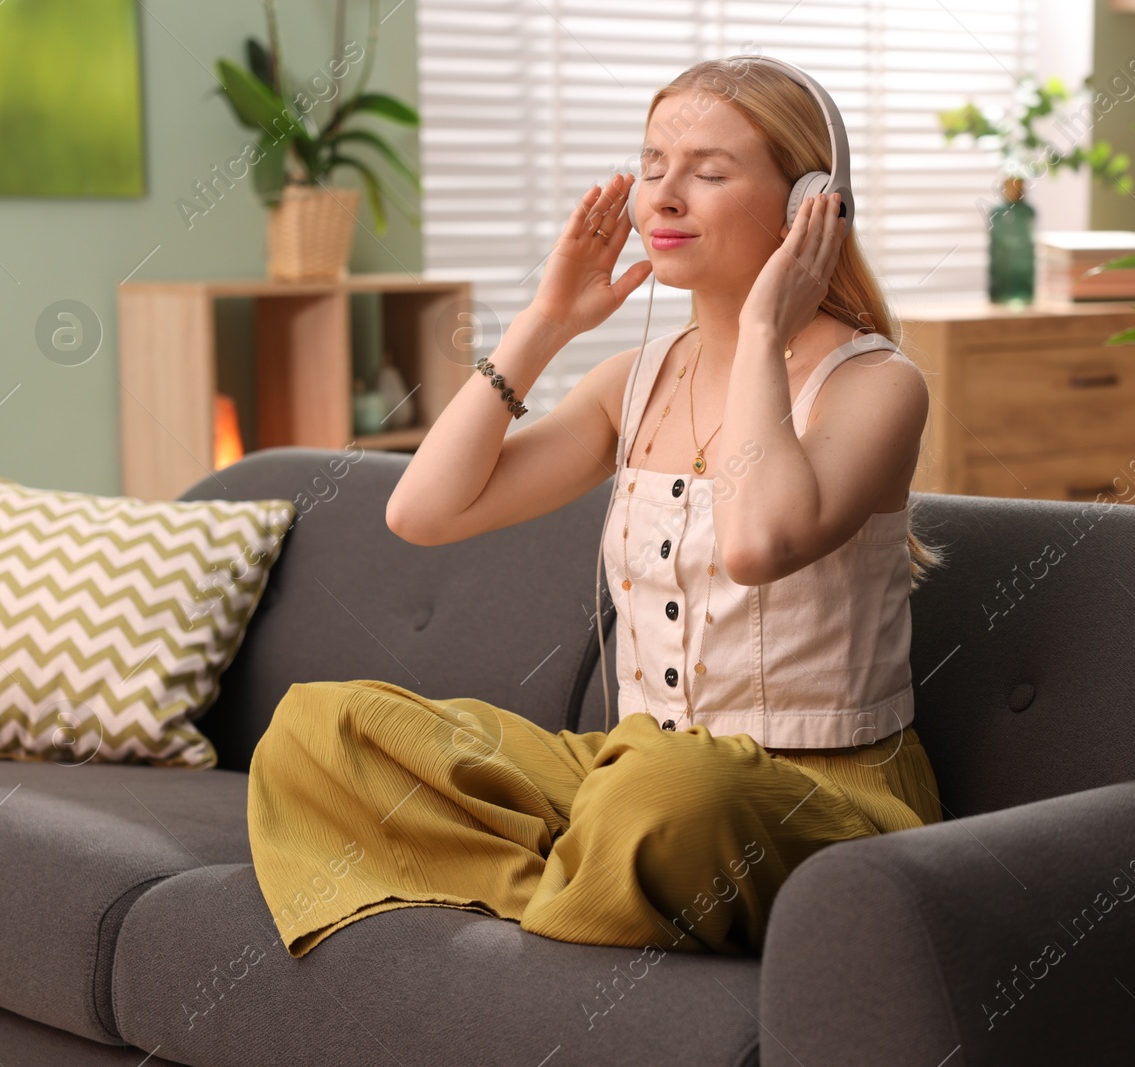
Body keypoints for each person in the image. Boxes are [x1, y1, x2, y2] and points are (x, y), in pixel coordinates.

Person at [246, 57, 949, 962]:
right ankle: (588, 886)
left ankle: (584, 874)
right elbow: (421, 512)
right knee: (322, 730)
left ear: (810, 204)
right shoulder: (636, 380)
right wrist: (544, 322)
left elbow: (756, 541)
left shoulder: (876, 384)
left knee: (668, 789)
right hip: (628, 771)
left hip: (801, 797)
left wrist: (767, 330)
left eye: (709, 170)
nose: (664, 196)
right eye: (654, 164)